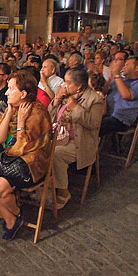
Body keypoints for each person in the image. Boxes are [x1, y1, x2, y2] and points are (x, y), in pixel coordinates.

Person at [0, 70, 52, 240]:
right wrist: (9, 113)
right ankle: (13, 217)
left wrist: (20, 124)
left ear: (23, 94)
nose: (6, 92)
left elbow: (22, 148)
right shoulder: (14, 108)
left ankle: (16, 213)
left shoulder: (38, 113)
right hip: (11, 160)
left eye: (11, 89)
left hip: (30, 164)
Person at [48, 67, 103, 209]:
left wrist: (75, 107)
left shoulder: (94, 99)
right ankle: (45, 188)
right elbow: (50, 116)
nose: (64, 86)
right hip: (59, 135)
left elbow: (94, 124)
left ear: (79, 86)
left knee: (55, 154)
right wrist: (57, 98)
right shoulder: (65, 95)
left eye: (68, 82)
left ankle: (63, 192)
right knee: (37, 148)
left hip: (79, 142)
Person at [99, 56, 138, 137]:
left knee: (94, 126)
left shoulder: (136, 84)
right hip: (107, 113)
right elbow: (104, 91)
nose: (123, 67)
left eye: (127, 65)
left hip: (121, 120)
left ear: (136, 68)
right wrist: (110, 79)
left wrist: (117, 75)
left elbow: (126, 95)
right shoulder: (122, 81)